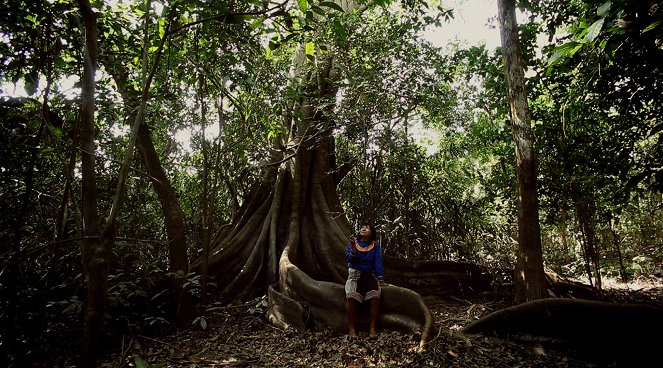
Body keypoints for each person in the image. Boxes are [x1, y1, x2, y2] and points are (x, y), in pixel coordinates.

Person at [344, 223, 385, 338]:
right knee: (351, 298)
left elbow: (378, 261)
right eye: (362, 227)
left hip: (369, 275)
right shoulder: (354, 243)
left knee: (375, 298)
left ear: (371, 232)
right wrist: (353, 247)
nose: (364, 228)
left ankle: (372, 328)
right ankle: (351, 328)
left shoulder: (375, 246)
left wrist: (380, 278)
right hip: (355, 275)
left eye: (367, 227)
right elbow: (351, 259)